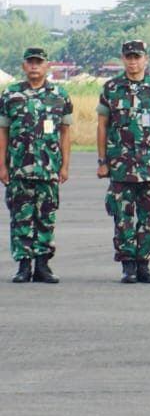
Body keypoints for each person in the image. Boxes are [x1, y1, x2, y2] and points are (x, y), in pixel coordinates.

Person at [97, 39, 150, 284]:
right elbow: (102, 125)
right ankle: (128, 264)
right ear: (123, 59)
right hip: (121, 165)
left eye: (137, 57)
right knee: (122, 216)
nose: (133, 61)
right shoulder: (112, 88)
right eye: (128, 57)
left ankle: (144, 264)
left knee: (148, 217)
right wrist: (102, 160)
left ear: (146, 59)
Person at [2, 48, 73, 284]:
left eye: (39, 62)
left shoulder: (59, 95)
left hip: (48, 168)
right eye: (30, 62)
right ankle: (23, 265)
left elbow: (65, 133)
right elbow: (3, 131)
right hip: (19, 167)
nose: (34, 66)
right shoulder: (10, 94)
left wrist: (65, 165)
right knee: (20, 217)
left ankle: (43, 265)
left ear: (47, 66)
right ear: (23, 66)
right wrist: (2, 165)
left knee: (46, 217)